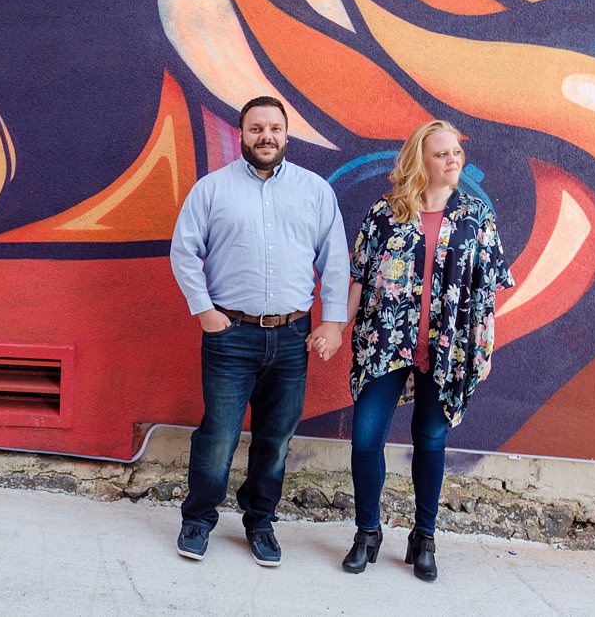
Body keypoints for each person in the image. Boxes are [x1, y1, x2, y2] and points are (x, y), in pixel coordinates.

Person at [169, 96, 349, 567]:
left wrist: (332, 322)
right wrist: (204, 310)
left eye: (273, 128)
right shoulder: (212, 190)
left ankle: (260, 522)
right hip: (230, 335)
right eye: (255, 129)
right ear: (242, 134)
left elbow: (334, 259)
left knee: (275, 438)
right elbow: (184, 252)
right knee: (219, 435)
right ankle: (199, 519)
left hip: (293, 337)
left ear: (286, 135)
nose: (265, 136)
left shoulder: (315, 191)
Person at [339, 120, 514, 582]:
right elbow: (357, 275)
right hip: (385, 339)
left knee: (430, 441)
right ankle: (367, 533)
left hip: (448, 345)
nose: (453, 159)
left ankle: (425, 536)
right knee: (365, 437)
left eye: (456, 152)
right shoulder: (385, 212)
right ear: (422, 160)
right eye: (442, 153)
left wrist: (484, 345)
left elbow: (488, 288)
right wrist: (335, 327)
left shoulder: (477, 215)